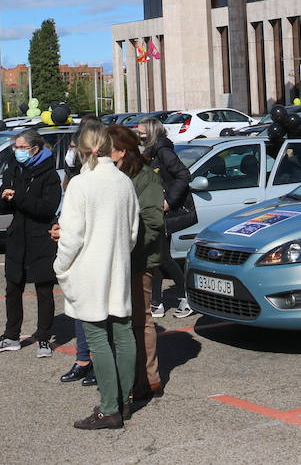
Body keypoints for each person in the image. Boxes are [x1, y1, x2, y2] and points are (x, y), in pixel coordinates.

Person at [54, 124, 139, 429]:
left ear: (81, 149)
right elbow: (132, 233)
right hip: (118, 266)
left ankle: (109, 408)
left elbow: (71, 237)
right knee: (123, 331)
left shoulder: (80, 184)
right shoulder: (123, 181)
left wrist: (60, 265)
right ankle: (125, 400)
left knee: (97, 337)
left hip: (90, 269)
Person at [0, 128, 62, 356]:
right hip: (17, 235)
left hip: (41, 236)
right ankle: (11, 335)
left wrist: (19, 196)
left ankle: (43, 338)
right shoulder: (14, 168)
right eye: (15, 147)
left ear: (34, 149)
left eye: (21, 148)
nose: (17, 151)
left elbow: (46, 208)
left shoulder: (49, 174)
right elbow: (3, 206)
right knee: (13, 286)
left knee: (44, 289)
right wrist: (5, 198)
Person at [109, 125, 166, 407]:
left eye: (110, 151)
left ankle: (148, 378)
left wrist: (124, 241)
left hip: (138, 261)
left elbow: (153, 224)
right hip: (114, 261)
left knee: (140, 320)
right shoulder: (112, 177)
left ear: (123, 151)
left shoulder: (146, 180)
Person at [59, 119, 105, 387]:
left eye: (77, 145)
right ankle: (82, 360)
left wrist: (60, 264)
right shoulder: (77, 175)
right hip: (79, 253)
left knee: (100, 315)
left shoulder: (107, 177)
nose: (72, 149)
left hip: (94, 253)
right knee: (79, 308)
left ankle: (100, 364)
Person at [136, 117, 193, 318]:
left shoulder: (163, 151)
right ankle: (157, 302)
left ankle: (187, 296)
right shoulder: (150, 153)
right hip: (153, 211)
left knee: (162, 257)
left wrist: (168, 201)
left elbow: (184, 175)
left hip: (165, 212)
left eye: (142, 132)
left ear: (151, 133)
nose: (139, 135)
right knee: (157, 257)